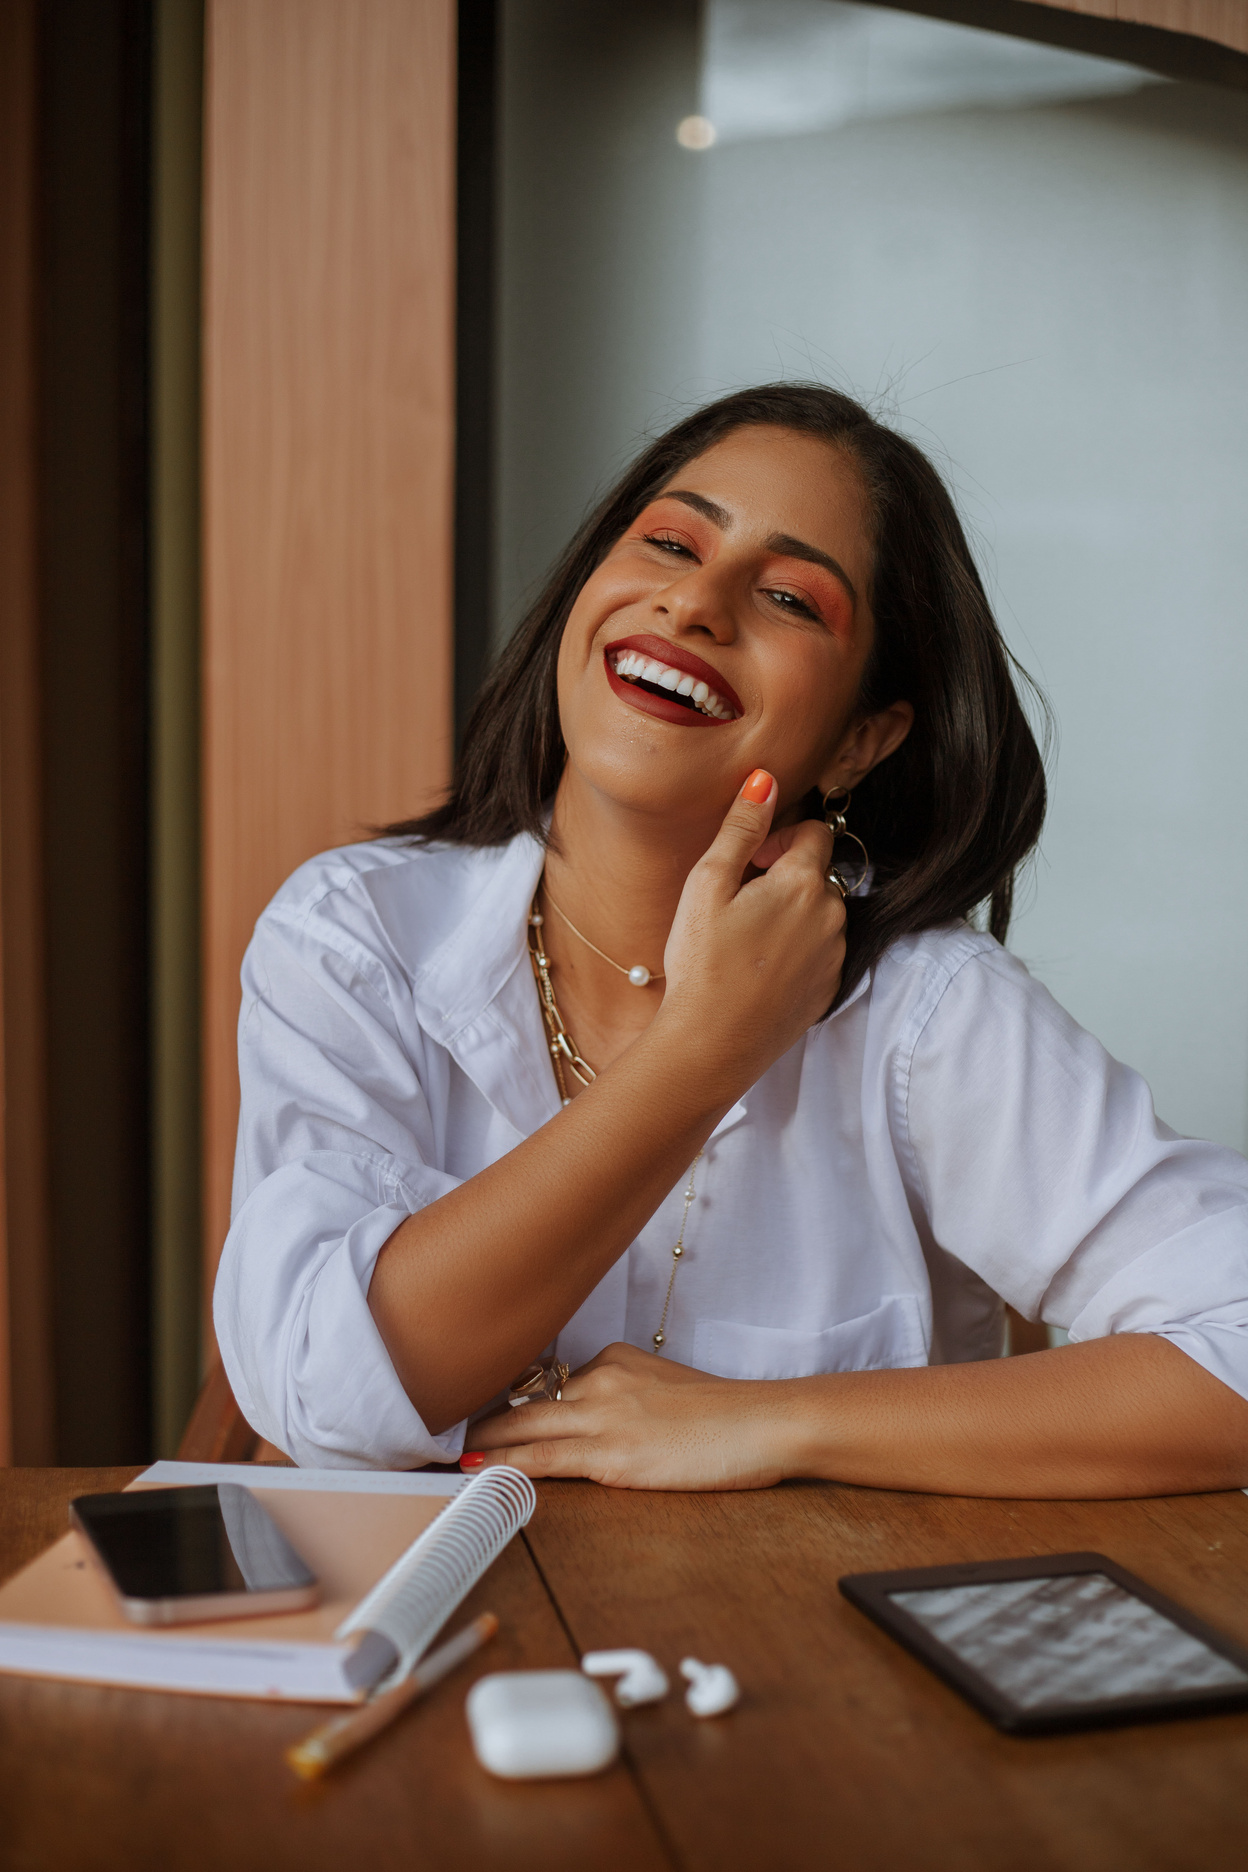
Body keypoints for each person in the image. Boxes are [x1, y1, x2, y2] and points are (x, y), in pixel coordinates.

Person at [215, 383, 1248, 1493]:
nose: (695, 605)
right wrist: (703, 1048)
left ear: (860, 740)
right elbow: (326, 1387)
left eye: (793, 599)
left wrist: (772, 1424)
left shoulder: (925, 1011)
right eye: (668, 542)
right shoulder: (355, 936)